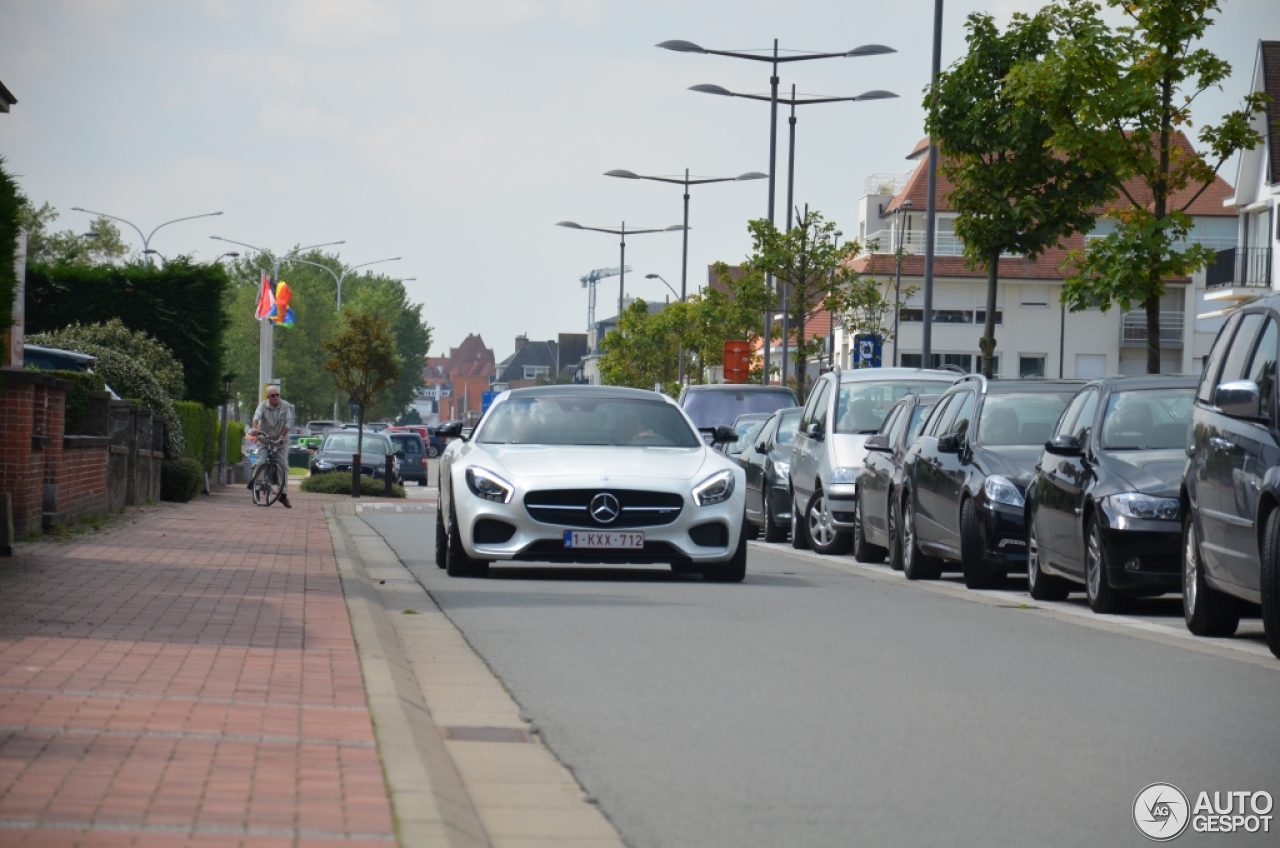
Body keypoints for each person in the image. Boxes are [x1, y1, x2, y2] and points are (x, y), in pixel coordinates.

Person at [248, 386, 295, 508]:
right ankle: (257, 488)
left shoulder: (286, 406)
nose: (276, 397)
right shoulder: (263, 405)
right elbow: (256, 417)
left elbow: (287, 424)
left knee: (283, 465)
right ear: (268, 397)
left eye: (277, 395)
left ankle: (283, 495)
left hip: (281, 440)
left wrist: (281, 437)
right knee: (260, 462)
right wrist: (255, 428)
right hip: (265, 438)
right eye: (273, 395)